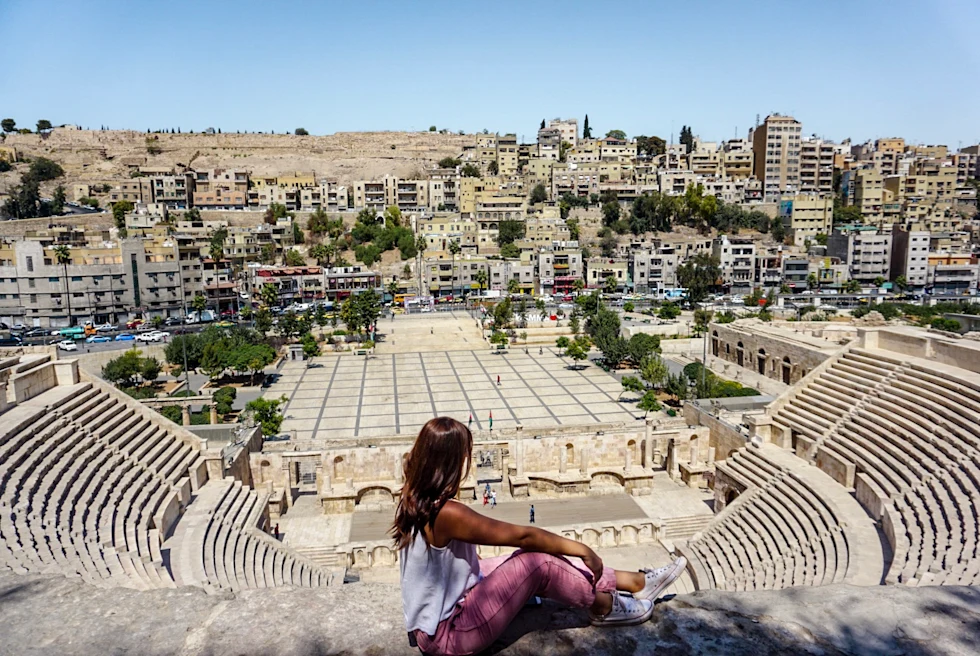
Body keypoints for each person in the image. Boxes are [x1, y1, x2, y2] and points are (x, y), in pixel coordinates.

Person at [393, 417, 686, 656]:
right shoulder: (446, 513)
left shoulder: (414, 495)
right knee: (537, 563)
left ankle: (635, 582)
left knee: (515, 560)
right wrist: (583, 549)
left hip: (448, 610)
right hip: (450, 634)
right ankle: (604, 607)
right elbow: (525, 536)